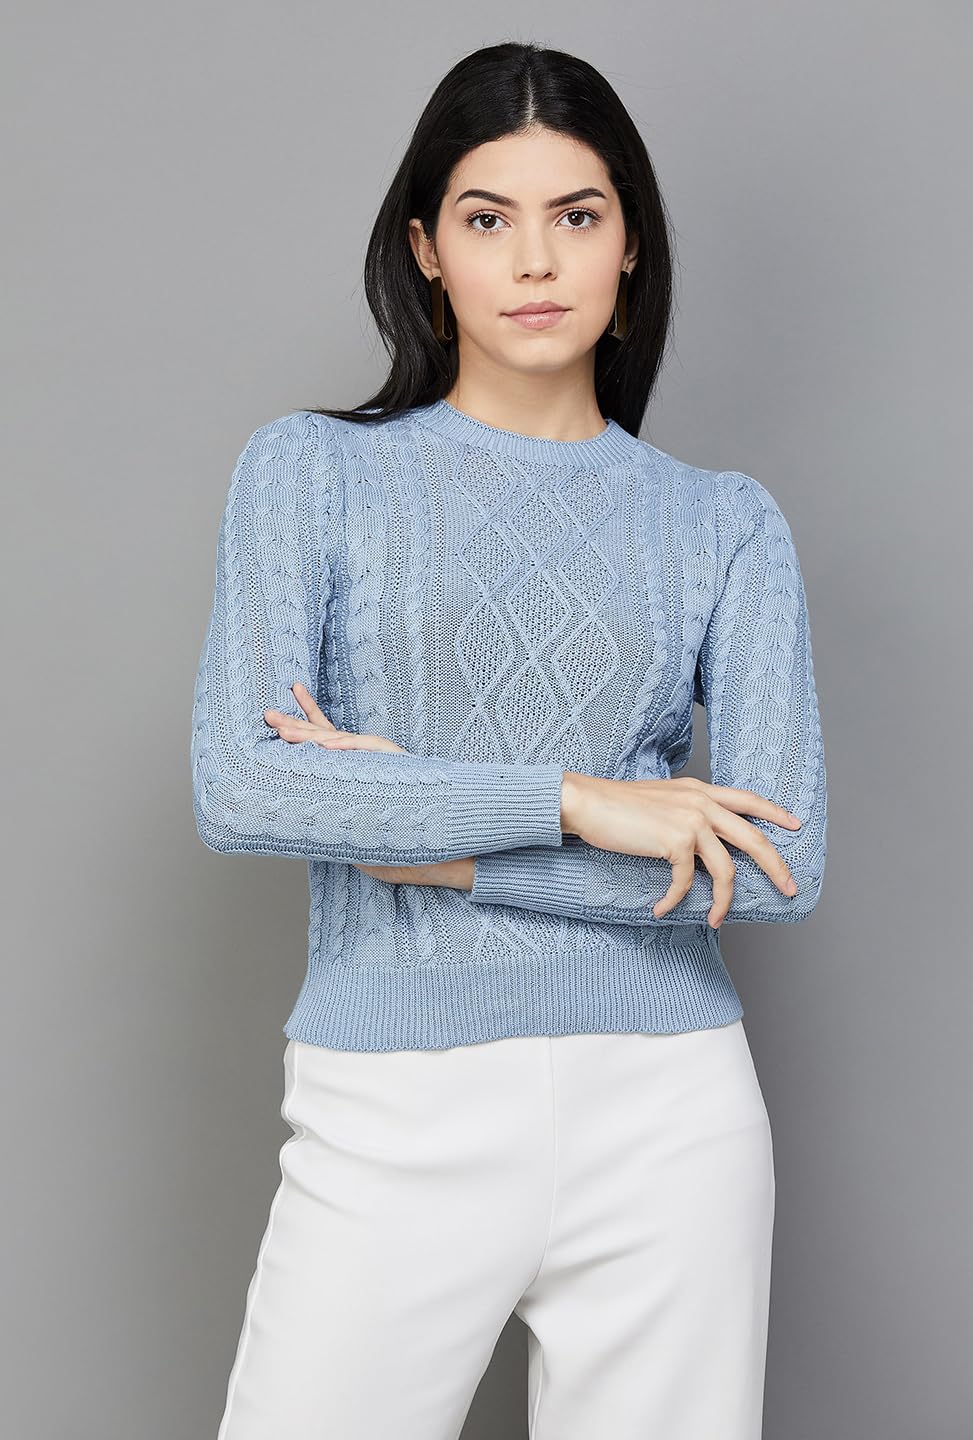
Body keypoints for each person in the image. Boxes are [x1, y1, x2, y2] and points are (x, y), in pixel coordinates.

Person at [191, 39, 828, 1440]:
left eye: (576, 215)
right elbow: (244, 785)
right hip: (393, 1102)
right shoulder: (312, 474)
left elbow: (783, 865)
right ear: (427, 248)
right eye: (488, 218)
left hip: (669, 1110)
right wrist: (584, 802)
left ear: (631, 245)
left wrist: (448, 853)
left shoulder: (724, 523)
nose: (535, 261)